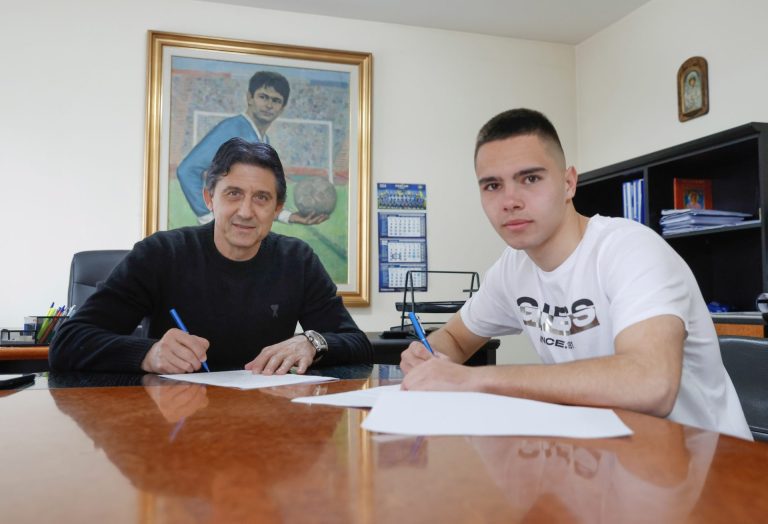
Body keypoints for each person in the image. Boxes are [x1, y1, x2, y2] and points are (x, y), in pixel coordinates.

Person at [400, 108, 751, 440]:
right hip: (610, 455)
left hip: (709, 465)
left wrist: (475, 380)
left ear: (569, 183)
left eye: (530, 178)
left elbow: (651, 385)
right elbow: (456, 338)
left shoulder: (630, 250)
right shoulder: (512, 268)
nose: (510, 201)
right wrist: (428, 356)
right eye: (492, 185)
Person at [50, 137, 371, 374]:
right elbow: (68, 342)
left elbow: (357, 344)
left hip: (265, 421)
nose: (245, 211)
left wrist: (312, 342)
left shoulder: (297, 259)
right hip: (171, 423)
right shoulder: (161, 253)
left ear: (277, 209)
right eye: (233, 194)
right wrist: (148, 353)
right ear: (209, 198)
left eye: (261, 198)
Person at [176, 70, 327, 226]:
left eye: (276, 100)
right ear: (250, 98)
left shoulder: (264, 141)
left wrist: (288, 216)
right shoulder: (231, 129)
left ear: (282, 108)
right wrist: (207, 217)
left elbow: (257, 194)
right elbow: (187, 170)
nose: (269, 105)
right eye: (263, 97)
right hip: (224, 229)